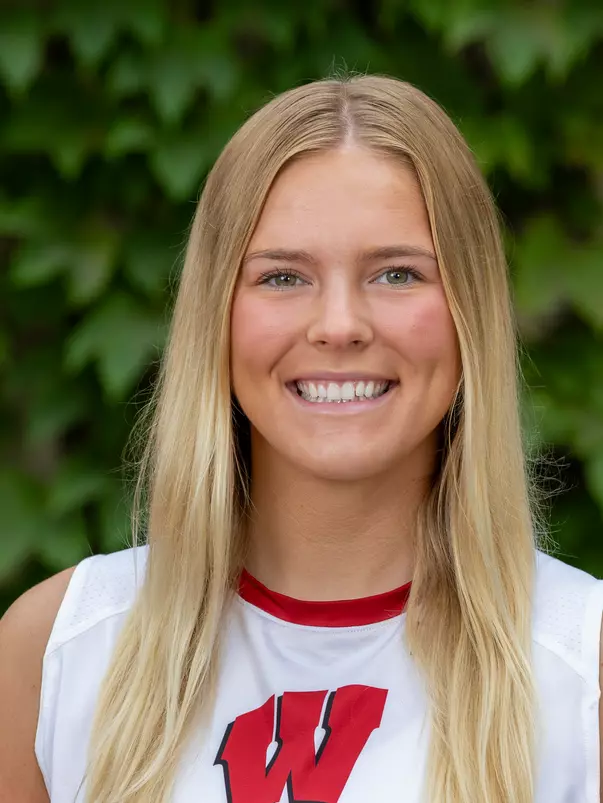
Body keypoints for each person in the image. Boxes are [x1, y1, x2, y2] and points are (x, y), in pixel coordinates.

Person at [0, 73, 602, 803]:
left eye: (396, 273)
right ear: (217, 315)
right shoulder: (58, 649)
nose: (339, 325)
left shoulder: (584, 668)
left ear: (467, 310)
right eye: (283, 277)